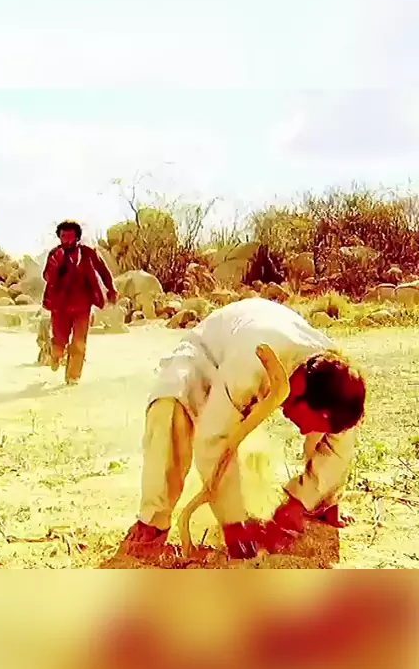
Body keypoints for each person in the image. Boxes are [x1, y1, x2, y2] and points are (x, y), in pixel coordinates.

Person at [122, 297, 366, 560]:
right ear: (298, 390)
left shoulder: (335, 375)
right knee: (169, 408)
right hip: (207, 352)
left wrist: (303, 501)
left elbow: (339, 447)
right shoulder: (249, 367)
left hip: (264, 338)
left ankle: (322, 503)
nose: (305, 432)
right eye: (309, 423)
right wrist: (233, 522)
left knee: (326, 441)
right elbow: (214, 438)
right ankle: (153, 521)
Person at [42, 220, 118, 385]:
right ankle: (56, 356)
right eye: (63, 236)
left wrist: (111, 289)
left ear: (77, 237)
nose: (67, 240)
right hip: (60, 307)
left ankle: (73, 377)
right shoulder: (55, 254)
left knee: (79, 342)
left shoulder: (88, 253)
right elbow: (47, 277)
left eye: (70, 236)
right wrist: (56, 265)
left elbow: (103, 271)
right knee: (59, 342)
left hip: (82, 305)